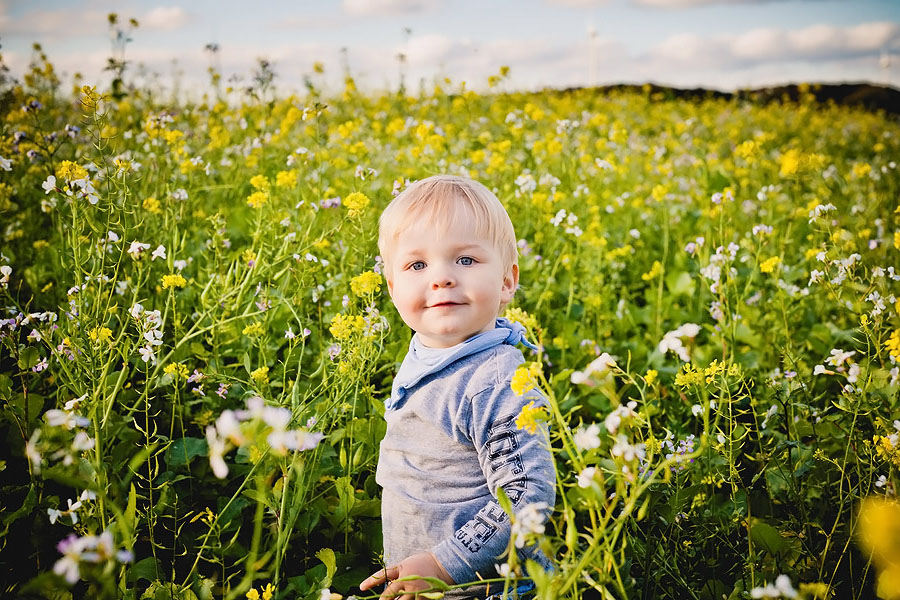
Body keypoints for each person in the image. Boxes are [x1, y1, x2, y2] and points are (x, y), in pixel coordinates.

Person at [359, 175, 556, 600]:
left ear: (506, 282)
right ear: (393, 289)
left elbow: (527, 497)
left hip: (492, 588)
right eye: (417, 265)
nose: (442, 278)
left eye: (465, 260)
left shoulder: (496, 381)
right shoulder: (428, 351)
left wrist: (445, 562)